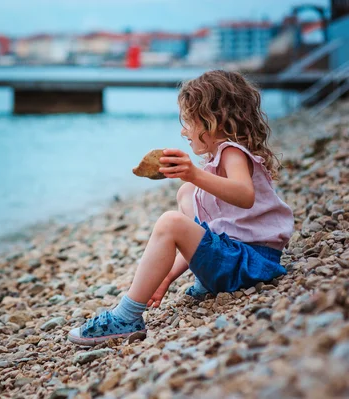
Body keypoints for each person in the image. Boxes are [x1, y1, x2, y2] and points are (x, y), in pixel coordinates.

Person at [68, 70, 294, 346]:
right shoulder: (219, 158)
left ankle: (126, 317)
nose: (183, 130)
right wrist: (167, 277)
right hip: (238, 261)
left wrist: (193, 174)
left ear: (214, 120)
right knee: (187, 192)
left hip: (251, 264)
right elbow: (206, 231)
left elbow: (245, 196)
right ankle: (202, 282)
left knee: (171, 221)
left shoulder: (232, 152)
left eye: (188, 121)